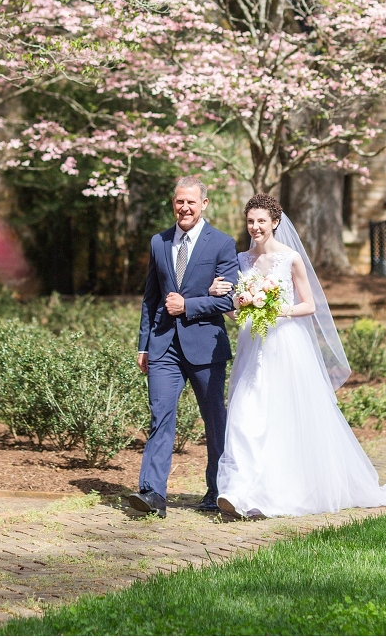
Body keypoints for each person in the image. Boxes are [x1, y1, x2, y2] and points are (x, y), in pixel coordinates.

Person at [212, 193, 386, 519]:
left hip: (285, 345)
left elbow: (310, 305)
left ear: (275, 222)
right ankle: (238, 491)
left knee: (280, 416)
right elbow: (235, 312)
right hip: (252, 344)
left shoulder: (290, 259)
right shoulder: (240, 259)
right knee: (245, 413)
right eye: (250, 221)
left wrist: (275, 308)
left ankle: (277, 490)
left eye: (262, 221)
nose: (255, 227)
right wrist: (229, 300)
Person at [129, 176, 239, 518]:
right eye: (179, 201)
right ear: (173, 203)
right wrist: (143, 344)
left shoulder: (222, 243)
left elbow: (231, 299)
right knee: (160, 416)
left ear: (204, 204)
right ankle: (152, 495)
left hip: (206, 347)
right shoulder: (159, 242)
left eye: (191, 201)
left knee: (213, 419)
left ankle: (217, 490)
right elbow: (150, 297)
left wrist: (188, 306)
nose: (185, 207)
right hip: (163, 347)